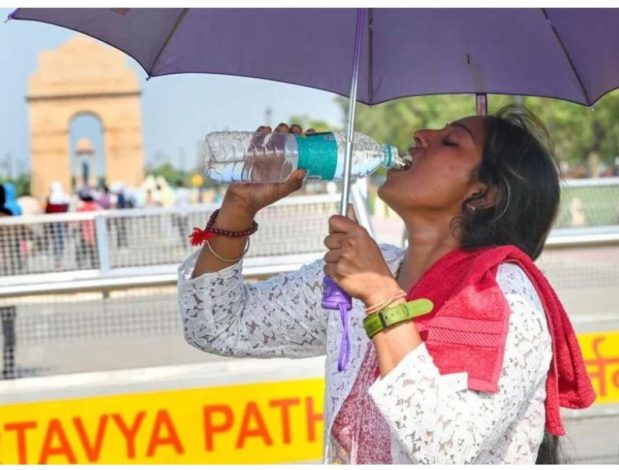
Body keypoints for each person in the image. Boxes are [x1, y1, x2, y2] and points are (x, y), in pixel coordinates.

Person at [177, 108, 595, 464]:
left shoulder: (503, 295)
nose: (420, 135)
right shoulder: (372, 272)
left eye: (451, 141)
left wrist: (381, 297)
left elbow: (446, 450)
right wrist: (238, 208)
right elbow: (218, 326)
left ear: (482, 195)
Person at [44, 181, 70, 269]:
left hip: (55, 224)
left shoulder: (51, 199)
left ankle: (58, 261)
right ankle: (59, 261)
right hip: (61, 223)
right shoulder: (65, 198)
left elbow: (47, 212)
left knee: (57, 242)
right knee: (60, 242)